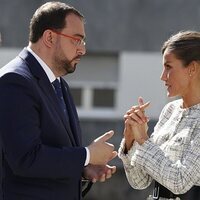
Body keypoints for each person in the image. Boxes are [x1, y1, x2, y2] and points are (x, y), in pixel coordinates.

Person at [0, 2, 117, 200]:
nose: (82, 50)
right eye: (76, 40)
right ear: (49, 37)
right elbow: (26, 159)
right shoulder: (14, 81)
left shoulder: (58, 83)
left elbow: (52, 153)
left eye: (83, 42)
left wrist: (82, 168)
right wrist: (87, 155)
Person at [118, 30, 200, 200]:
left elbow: (179, 182)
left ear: (192, 68)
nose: (162, 77)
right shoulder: (170, 111)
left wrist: (143, 141)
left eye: (168, 67)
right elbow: (140, 182)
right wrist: (131, 140)